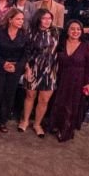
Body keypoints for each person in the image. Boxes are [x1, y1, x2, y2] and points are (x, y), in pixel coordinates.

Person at [48, 19, 89, 142]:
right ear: (67, 30)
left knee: (71, 106)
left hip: (77, 81)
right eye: (72, 29)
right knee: (58, 103)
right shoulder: (60, 43)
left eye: (78, 29)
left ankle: (66, 131)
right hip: (60, 78)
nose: (76, 31)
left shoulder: (87, 46)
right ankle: (55, 125)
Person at [19, 9, 60, 138]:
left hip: (50, 70)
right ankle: (25, 121)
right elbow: (25, 52)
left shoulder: (56, 32)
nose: (47, 21)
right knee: (30, 95)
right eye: (44, 18)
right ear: (38, 19)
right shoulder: (31, 32)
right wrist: (27, 68)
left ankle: (37, 124)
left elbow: (74, 32)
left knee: (44, 99)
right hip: (33, 68)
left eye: (49, 18)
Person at [0, 8, 27, 133]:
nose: (21, 21)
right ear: (10, 20)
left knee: (9, 95)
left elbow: (25, 54)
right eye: (18, 19)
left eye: (22, 19)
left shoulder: (24, 34)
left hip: (15, 69)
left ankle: (2, 121)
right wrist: (3, 63)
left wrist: (17, 66)